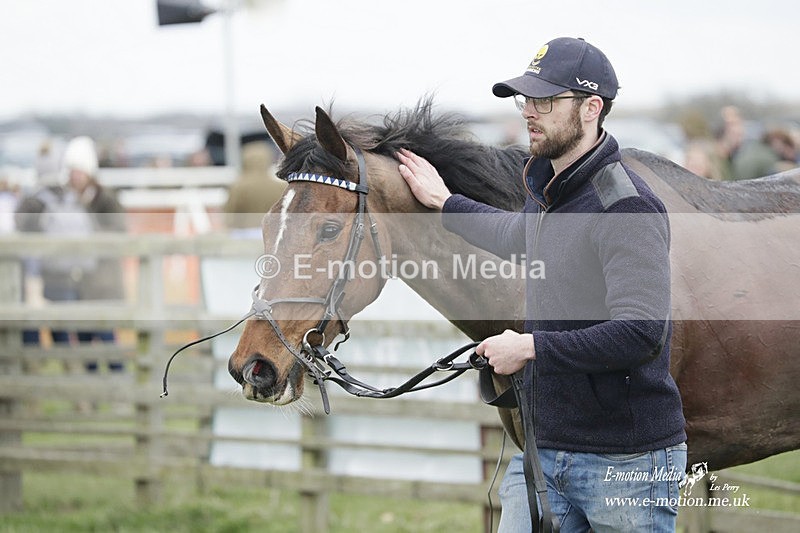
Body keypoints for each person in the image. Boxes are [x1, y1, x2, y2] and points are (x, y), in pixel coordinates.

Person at [397, 37, 687, 532]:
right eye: (526, 99)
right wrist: (446, 203)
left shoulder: (626, 207)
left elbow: (640, 334)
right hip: (543, 449)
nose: (530, 112)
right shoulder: (551, 190)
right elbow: (519, 236)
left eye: (545, 101)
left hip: (627, 465)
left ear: (591, 108)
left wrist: (530, 347)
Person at [16, 135, 126, 373]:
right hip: (83, 282)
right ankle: (92, 389)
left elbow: (119, 232)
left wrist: (89, 234)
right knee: (86, 341)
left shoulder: (104, 199)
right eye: (73, 171)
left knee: (107, 338)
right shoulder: (69, 200)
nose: (76, 176)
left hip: (104, 283)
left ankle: (118, 386)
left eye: (80, 170)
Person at [223, 141, 286, 234]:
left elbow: (230, 214)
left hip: (244, 234)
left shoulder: (238, 187)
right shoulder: (281, 186)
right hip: (272, 232)